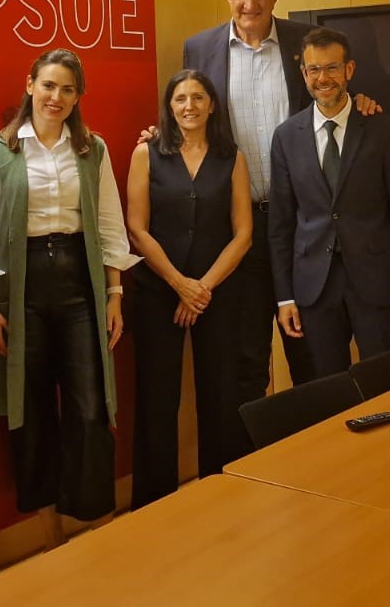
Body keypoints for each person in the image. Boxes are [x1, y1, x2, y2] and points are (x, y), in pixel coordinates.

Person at [179, 0, 379, 415]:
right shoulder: (199, 49)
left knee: (310, 355)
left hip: (301, 230)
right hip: (238, 230)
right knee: (246, 360)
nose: (251, 3)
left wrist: (364, 100)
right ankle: (257, 470)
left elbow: (333, 94)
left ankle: (321, 465)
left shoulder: (302, 43)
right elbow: (186, 110)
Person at [0, 48, 137, 542]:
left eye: (67, 89)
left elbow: (107, 223)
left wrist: (114, 293)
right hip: (19, 286)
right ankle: (46, 532)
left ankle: (91, 521)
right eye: (48, 86)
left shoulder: (92, 149)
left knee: (88, 404)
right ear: (30, 85)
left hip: (79, 281)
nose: (56, 97)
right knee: (31, 403)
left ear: (78, 96)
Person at [126, 70, 252, 508]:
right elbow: (137, 229)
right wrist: (180, 285)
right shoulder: (147, 153)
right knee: (156, 400)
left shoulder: (231, 156)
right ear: (169, 105)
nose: (189, 106)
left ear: (212, 105)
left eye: (199, 97)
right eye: (180, 98)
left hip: (218, 291)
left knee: (220, 395)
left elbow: (243, 234)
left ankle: (221, 493)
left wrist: (202, 289)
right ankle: (152, 505)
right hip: (158, 289)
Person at [269, 26, 390, 375]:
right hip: (313, 289)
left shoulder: (383, 130)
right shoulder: (285, 138)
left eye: (332, 68)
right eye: (314, 70)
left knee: (385, 385)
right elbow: (279, 227)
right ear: (303, 74)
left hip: (376, 284)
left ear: (349, 70)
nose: (323, 78)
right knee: (326, 393)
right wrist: (285, 297)